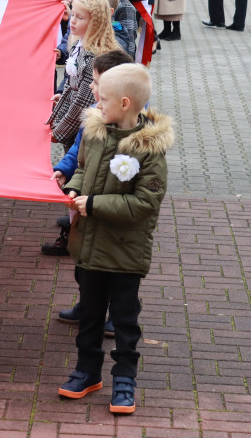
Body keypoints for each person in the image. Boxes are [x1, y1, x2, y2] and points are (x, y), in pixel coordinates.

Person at [57, 63, 173, 415]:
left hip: (125, 252)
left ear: (125, 103)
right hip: (91, 246)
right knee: (90, 315)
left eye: (102, 96)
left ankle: (125, 377)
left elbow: (144, 203)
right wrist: (75, 186)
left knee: (124, 318)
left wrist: (92, 203)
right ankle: (87, 371)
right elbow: (82, 167)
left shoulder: (149, 150)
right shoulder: (95, 132)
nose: (95, 99)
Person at [45, 49, 135, 337]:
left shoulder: (131, 129)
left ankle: (118, 315)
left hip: (113, 210)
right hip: (85, 204)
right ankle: (88, 304)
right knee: (84, 260)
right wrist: (64, 171)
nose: (92, 88)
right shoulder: (94, 116)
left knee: (114, 267)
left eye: (96, 83)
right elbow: (78, 152)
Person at [50, 0, 121, 149]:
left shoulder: (94, 56)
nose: (72, 21)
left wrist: (60, 131)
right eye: (73, 15)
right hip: (74, 122)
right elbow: (71, 82)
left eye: (80, 17)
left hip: (86, 127)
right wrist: (62, 97)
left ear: (95, 23)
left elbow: (84, 101)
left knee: (79, 162)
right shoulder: (78, 45)